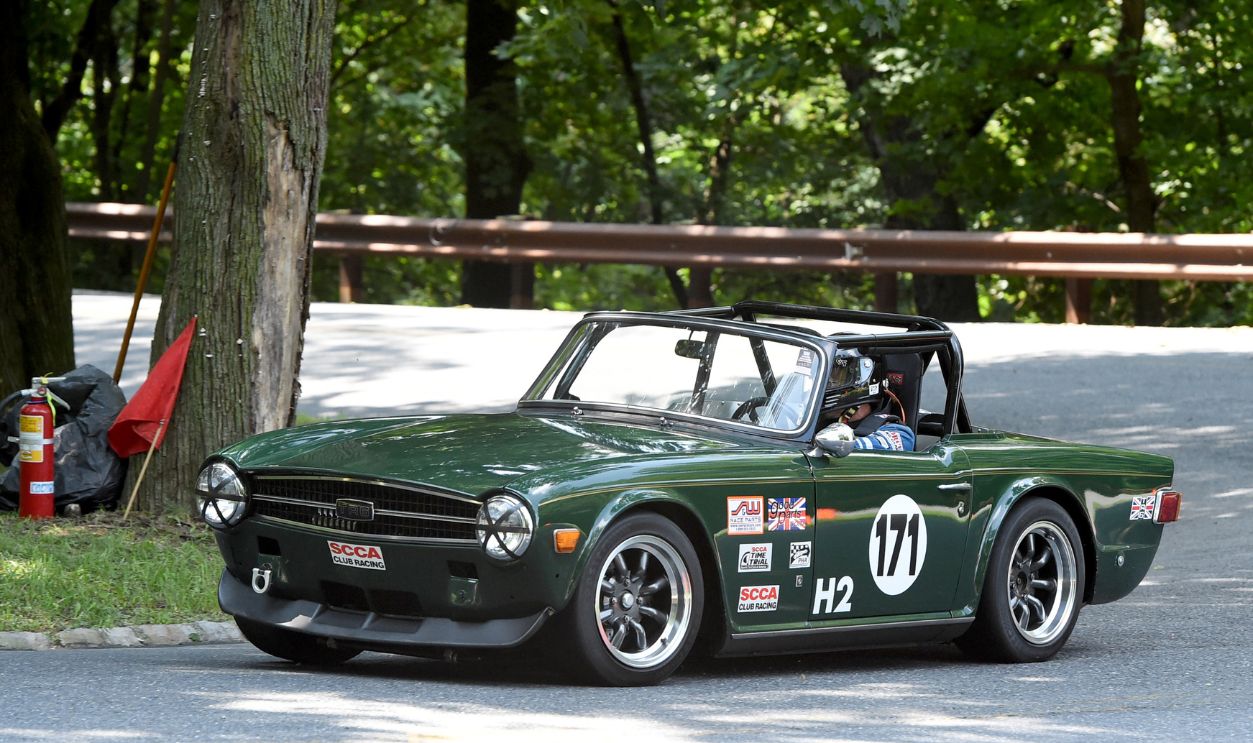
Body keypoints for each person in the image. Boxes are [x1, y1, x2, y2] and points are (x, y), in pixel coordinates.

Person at [818, 350, 915, 452]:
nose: (824, 384)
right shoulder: (806, 421)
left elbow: (899, 444)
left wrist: (840, 445)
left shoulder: (897, 431)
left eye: (834, 378)